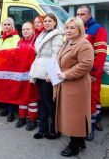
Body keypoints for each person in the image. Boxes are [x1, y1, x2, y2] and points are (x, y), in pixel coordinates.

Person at [54, 17, 94, 157]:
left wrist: (65, 75)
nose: (69, 30)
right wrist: (54, 74)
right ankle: (79, 141)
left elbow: (85, 65)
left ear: (80, 30)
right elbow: (61, 61)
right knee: (71, 116)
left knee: (75, 117)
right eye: (67, 28)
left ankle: (74, 146)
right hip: (67, 85)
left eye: (72, 28)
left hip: (77, 87)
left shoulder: (84, 44)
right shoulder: (68, 42)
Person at [30, 13, 64, 139]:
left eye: (50, 21)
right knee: (43, 101)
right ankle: (43, 129)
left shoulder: (57, 35)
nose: (47, 23)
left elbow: (55, 55)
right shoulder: (43, 34)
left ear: (55, 22)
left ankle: (55, 129)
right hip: (39, 71)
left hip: (48, 72)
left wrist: (51, 73)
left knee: (49, 102)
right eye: (45, 21)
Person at [77, 5, 108, 140]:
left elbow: (101, 54)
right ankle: (96, 119)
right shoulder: (78, 29)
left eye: (82, 14)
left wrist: (94, 73)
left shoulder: (98, 29)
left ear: (89, 15)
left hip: (91, 72)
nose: (79, 17)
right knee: (90, 98)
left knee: (92, 98)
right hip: (79, 71)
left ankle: (91, 126)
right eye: (77, 14)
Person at [0, 17, 20, 122]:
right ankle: (5, 108)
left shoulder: (16, 37)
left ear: (12, 26)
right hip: (0, 67)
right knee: (3, 89)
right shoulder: (0, 37)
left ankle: (11, 112)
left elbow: (14, 52)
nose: (6, 27)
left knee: (10, 90)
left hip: (10, 67)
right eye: (4, 25)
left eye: (8, 24)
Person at [15, 22, 39, 131]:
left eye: (28, 29)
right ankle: (22, 117)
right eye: (24, 29)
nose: (25, 31)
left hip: (32, 74)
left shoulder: (36, 41)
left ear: (33, 30)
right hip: (21, 74)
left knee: (32, 97)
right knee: (21, 95)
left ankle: (32, 119)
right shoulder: (19, 41)